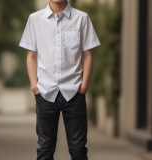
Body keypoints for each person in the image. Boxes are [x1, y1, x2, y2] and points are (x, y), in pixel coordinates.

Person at [19, 0, 101, 159]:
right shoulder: (35, 19)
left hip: (74, 92)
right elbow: (31, 55)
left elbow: (88, 54)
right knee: (45, 149)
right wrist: (34, 87)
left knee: (78, 149)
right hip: (45, 93)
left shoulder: (82, 18)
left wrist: (84, 86)